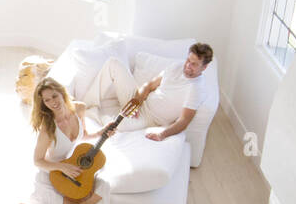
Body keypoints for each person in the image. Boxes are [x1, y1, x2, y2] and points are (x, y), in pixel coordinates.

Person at [17, 76, 116, 204]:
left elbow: (83, 136)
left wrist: (101, 133)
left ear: (62, 92)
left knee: (104, 186)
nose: (52, 102)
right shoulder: (48, 127)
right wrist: (62, 167)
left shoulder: (79, 109)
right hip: (54, 175)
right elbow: (37, 160)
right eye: (47, 100)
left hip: (73, 171)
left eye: (54, 96)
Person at [85, 42, 216, 143]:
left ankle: (93, 113)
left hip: (149, 119)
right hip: (140, 102)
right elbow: (149, 86)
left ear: (204, 67)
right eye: (188, 60)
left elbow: (184, 121)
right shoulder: (176, 66)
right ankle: (86, 105)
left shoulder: (197, 89)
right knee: (112, 63)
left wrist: (162, 134)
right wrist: (137, 102)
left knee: (117, 126)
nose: (188, 66)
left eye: (194, 64)